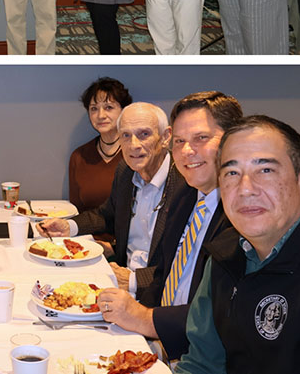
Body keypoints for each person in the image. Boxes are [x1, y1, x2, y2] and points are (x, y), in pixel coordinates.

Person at [175, 115, 300, 374]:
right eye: (232, 173)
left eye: (265, 170)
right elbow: (200, 365)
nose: (245, 189)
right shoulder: (224, 254)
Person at [97, 91, 242, 361]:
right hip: (162, 341)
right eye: (180, 141)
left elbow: (223, 311)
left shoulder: (242, 214)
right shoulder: (186, 196)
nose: (187, 151)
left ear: (233, 140)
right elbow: (163, 275)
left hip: (205, 356)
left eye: (201, 138)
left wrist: (146, 320)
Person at [39, 102, 194, 302]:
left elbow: (186, 262)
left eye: (144, 134)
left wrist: (134, 280)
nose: (133, 145)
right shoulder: (125, 171)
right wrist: (68, 227)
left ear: (165, 137)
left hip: (159, 295)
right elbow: (107, 215)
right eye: (126, 135)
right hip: (119, 280)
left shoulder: (186, 184)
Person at [68, 77, 133, 216]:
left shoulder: (135, 153)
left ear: (123, 111)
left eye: (108, 107)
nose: (100, 115)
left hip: (127, 237)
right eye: (94, 109)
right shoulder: (79, 157)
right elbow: (76, 211)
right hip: (87, 235)